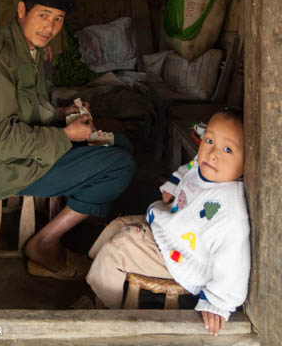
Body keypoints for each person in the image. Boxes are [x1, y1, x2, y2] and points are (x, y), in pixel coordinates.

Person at [0, 0, 135, 281]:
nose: (50, 27)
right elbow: (3, 139)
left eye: (58, 19)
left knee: (117, 141)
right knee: (120, 164)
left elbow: (29, 107)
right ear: (22, 11)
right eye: (43, 15)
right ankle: (44, 243)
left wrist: (62, 113)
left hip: (40, 147)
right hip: (16, 166)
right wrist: (66, 135)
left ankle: (87, 207)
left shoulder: (32, 50)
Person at [86, 110, 250, 336]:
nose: (213, 153)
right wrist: (173, 186)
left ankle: (104, 311)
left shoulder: (230, 211)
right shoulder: (206, 166)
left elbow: (233, 264)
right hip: (168, 233)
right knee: (116, 225)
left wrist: (218, 302)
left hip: (182, 258)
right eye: (209, 141)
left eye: (228, 149)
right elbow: (189, 168)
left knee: (117, 249)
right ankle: (94, 273)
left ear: (248, 161)